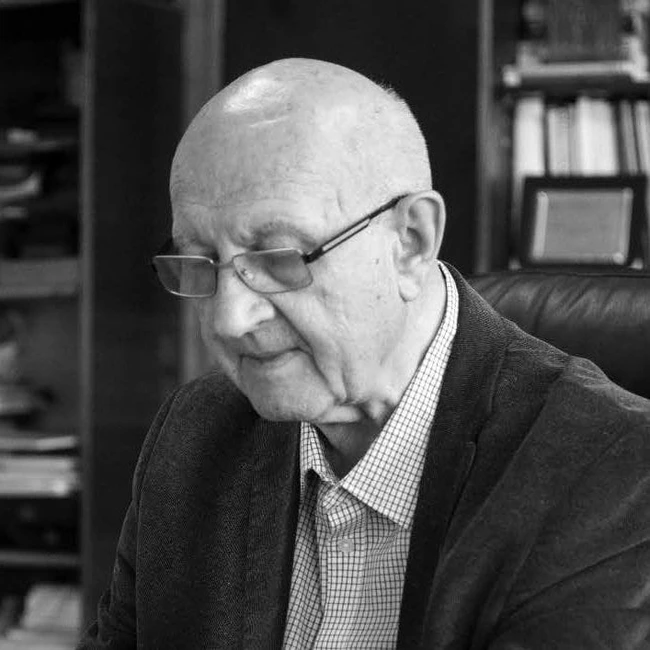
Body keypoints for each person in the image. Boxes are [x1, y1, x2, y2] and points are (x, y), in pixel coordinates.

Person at [78, 59, 650, 649]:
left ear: (411, 243)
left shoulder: (614, 475)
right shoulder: (194, 435)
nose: (228, 319)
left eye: (279, 258)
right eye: (199, 263)